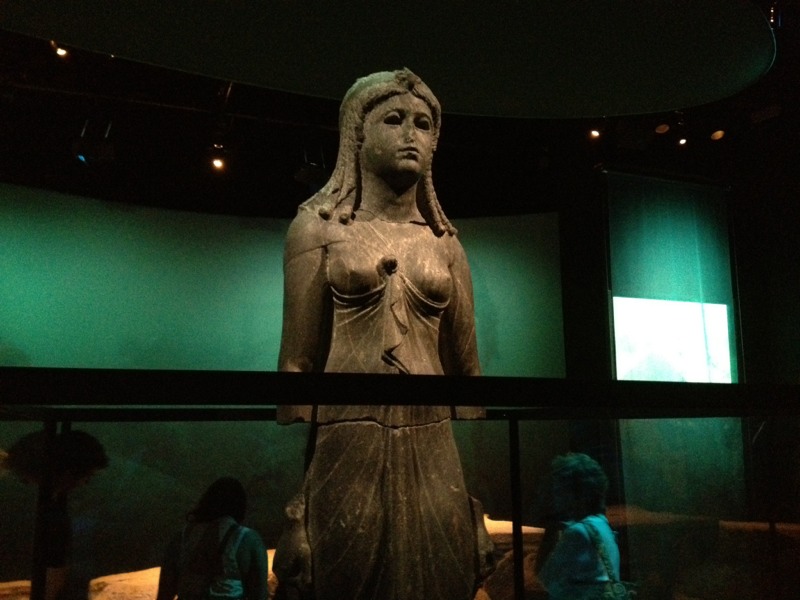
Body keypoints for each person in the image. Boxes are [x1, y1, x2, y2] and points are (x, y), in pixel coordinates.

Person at [273, 69, 491, 600]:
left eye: (423, 124)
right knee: (344, 581)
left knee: (441, 582)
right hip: (346, 437)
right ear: (357, 133)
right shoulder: (318, 228)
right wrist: (299, 504)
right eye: (393, 120)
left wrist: (473, 505)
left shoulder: (445, 243)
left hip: (432, 438)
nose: (411, 134)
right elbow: (297, 362)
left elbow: (467, 368)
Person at [1, 429, 109, 600]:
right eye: (87, 476)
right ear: (68, 472)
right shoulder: (30, 505)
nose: (86, 483)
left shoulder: (49, 501)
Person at [156, 477, 268, 600]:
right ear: (241, 506)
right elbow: (259, 594)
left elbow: (165, 593)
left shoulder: (181, 538)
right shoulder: (249, 539)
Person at [535, 453, 622, 600]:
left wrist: (551, 530)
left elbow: (545, 579)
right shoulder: (602, 524)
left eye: (559, 490)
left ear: (576, 494)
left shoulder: (577, 533)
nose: (555, 498)